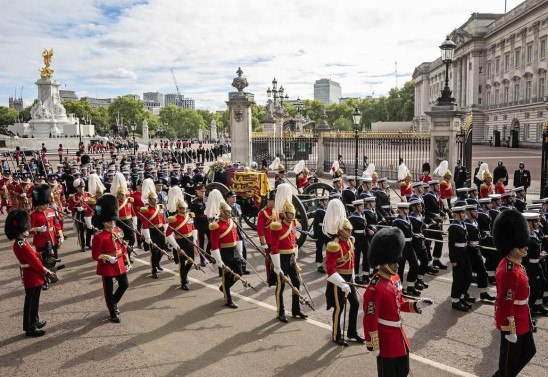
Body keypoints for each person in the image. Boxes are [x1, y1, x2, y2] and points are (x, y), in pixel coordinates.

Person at [363, 227, 433, 377]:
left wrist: (416, 305)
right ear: (384, 262)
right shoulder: (374, 288)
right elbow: (370, 319)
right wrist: (373, 344)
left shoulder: (395, 278)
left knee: (403, 372)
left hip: (399, 336)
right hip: (385, 341)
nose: (398, 264)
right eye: (394, 261)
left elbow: (399, 303)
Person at [492, 210, 536, 377]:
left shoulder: (515, 263)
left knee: (529, 351)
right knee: (508, 366)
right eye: (520, 245)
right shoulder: (509, 271)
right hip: (513, 323)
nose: (524, 247)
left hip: (523, 317)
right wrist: (510, 330)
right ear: (510, 247)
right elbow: (505, 303)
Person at [6, 209, 57, 337]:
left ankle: (35, 321)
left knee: (34, 301)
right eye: (25, 228)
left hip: (32, 274)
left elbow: (34, 255)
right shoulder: (20, 244)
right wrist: (47, 272)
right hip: (32, 275)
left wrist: (42, 253)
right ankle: (30, 327)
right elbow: (34, 262)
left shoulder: (22, 242)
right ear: (19, 230)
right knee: (31, 302)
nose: (28, 230)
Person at [324, 199, 363, 346]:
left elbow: (351, 262)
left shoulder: (349, 241)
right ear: (340, 230)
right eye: (347, 230)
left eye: (350, 230)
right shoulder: (334, 246)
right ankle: (336, 335)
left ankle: (352, 333)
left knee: (355, 303)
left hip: (348, 278)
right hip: (337, 280)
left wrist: (351, 277)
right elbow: (330, 269)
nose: (350, 232)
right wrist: (342, 284)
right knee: (339, 307)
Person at [270, 184, 307, 322]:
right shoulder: (277, 225)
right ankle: (280, 311)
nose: (292, 216)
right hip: (281, 258)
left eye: (293, 214)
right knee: (281, 286)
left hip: (291, 257)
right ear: (284, 213)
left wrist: (295, 257)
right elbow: (274, 246)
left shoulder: (293, 223)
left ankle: (296, 309)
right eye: (290, 214)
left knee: (296, 282)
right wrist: (277, 266)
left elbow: (294, 241)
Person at [91, 194, 130, 323]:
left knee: (124, 284)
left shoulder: (118, 231)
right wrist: (107, 257)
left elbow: (123, 248)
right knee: (108, 290)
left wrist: (126, 261)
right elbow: (95, 255)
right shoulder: (99, 236)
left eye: (113, 221)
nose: (112, 223)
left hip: (119, 262)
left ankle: (113, 304)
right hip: (107, 265)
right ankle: (113, 312)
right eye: (109, 221)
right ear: (103, 222)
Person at [209, 198, 242, 309]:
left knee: (239, 273)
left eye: (230, 212)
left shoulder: (232, 222)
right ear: (222, 212)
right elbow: (214, 244)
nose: (229, 213)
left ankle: (224, 287)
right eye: (227, 212)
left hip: (234, 250)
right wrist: (218, 260)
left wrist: (240, 251)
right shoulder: (216, 225)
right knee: (226, 275)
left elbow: (236, 237)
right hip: (224, 252)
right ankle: (228, 299)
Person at [30, 184, 64, 290]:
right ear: (39, 204)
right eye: (45, 203)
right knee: (43, 261)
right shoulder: (33, 215)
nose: (46, 205)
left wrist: (61, 235)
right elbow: (29, 230)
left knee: (52, 259)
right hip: (41, 241)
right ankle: (44, 280)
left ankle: (52, 276)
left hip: (52, 239)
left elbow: (56, 224)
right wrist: (37, 230)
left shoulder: (51, 211)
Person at [166, 185, 198, 290]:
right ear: (178, 208)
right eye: (182, 208)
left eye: (185, 208)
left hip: (189, 240)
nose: (184, 210)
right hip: (180, 242)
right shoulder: (173, 219)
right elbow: (168, 234)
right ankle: (183, 281)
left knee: (191, 260)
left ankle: (184, 275)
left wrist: (195, 240)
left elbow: (193, 228)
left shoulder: (189, 216)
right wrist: (175, 246)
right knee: (182, 262)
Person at [464, 200, 495, 303]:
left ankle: (483, 293)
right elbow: (462, 239)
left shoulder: (475, 222)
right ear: (468, 213)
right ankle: (463, 294)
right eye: (474, 211)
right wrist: (469, 244)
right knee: (467, 276)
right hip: (468, 253)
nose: (477, 212)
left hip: (476, 251)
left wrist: (482, 238)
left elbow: (478, 235)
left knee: (482, 272)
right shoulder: (465, 224)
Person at [140, 178, 167, 279]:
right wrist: (147, 238)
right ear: (149, 200)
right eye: (153, 199)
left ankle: (157, 263)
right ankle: (153, 269)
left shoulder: (160, 207)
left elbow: (163, 220)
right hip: (152, 231)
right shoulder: (146, 210)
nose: (155, 201)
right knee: (154, 251)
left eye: (156, 199)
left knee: (163, 249)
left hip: (160, 230)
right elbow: (145, 224)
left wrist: (166, 231)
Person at [522, 212, 548, 316]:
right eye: (535, 221)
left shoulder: (534, 233)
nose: (538, 223)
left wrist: (541, 253)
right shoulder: (525, 237)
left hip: (537, 264)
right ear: (528, 223)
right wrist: (539, 255)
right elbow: (524, 254)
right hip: (529, 266)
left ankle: (538, 305)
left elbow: (537, 247)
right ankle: (527, 309)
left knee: (542, 282)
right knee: (533, 288)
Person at [392, 202, 421, 297]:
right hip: (402, 246)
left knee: (415, 265)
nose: (408, 211)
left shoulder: (407, 219)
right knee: (400, 268)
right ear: (400, 210)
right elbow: (395, 236)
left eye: (408, 209)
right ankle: (399, 288)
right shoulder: (397, 221)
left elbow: (409, 231)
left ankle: (410, 286)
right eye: (406, 209)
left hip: (409, 245)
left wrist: (415, 234)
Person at [257, 190, 278, 282]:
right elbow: (260, 228)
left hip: (276, 240)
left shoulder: (275, 211)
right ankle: (270, 278)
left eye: (275, 201)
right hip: (268, 240)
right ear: (268, 201)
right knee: (269, 260)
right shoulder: (263, 212)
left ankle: (276, 276)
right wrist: (263, 241)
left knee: (276, 259)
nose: (274, 203)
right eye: (272, 201)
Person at [312, 195, 329, 273]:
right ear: (321, 202)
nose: (326, 202)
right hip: (320, 233)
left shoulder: (326, 209)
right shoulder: (319, 211)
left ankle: (329, 264)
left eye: (327, 201)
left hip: (326, 232)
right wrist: (316, 235)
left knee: (328, 248)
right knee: (319, 249)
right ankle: (319, 265)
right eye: (325, 201)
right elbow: (316, 224)